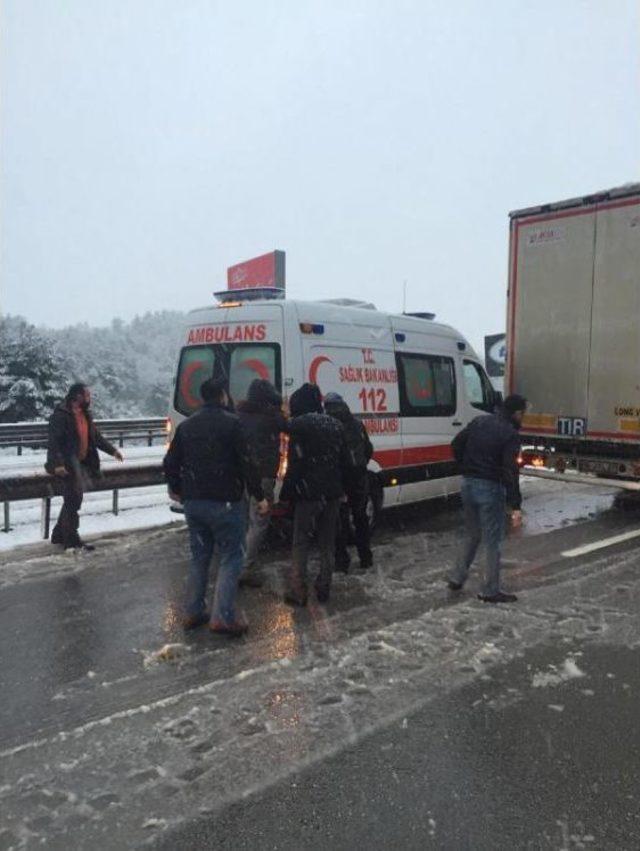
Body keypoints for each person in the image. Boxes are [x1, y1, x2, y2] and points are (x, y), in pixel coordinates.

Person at [163, 378, 269, 636]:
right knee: (232, 556)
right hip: (225, 502)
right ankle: (222, 617)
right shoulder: (233, 425)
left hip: (194, 502)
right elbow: (248, 463)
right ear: (223, 396)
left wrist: (177, 489)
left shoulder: (187, 426)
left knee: (200, 557)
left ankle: (193, 611)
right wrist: (260, 495)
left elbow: (169, 462)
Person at [446, 394, 526, 604]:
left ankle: (456, 577)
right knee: (493, 541)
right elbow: (510, 470)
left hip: (468, 484)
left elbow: (456, 444)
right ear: (517, 413)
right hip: (490, 487)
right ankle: (489, 590)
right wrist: (515, 504)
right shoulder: (509, 434)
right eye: (523, 413)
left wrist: (465, 466)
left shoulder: (480, 421)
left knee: (472, 534)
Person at [280, 383, 349, 606]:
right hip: (331, 494)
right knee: (327, 541)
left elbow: (295, 465)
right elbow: (345, 462)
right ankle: (324, 586)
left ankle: (298, 590)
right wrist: (342, 489)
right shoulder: (336, 425)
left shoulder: (299, 426)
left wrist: (287, 493)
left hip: (307, 493)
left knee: (300, 541)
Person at [46, 383, 124, 550]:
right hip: (67, 464)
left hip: (81, 464)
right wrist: (58, 464)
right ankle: (71, 540)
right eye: (87, 395)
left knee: (72, 500)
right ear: (77, 396)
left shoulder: (85, 415)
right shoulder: (61, 415)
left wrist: (113, 451)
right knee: (73, 500)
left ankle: (59, 535)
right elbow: (54, 442)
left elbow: (95, 437)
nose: (89, 398)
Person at [237, 379, 288, 587]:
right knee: (259, 522)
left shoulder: (239, 415)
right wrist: (282, 408)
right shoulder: (271, 417)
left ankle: (235, 563)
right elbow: (289, 427)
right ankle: (245, 568)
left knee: (243, 523)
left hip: (241, 475)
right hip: (263, 475)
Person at [323, 392, 374, 571]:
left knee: (340, 521)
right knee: (360, 518)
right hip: (359, 477)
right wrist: (360, 467)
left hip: (339, 478)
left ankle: (342, 561)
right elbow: (368, 449)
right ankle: (366, 557)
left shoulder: (327, 424)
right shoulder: (356, 423)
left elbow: (328, 456)